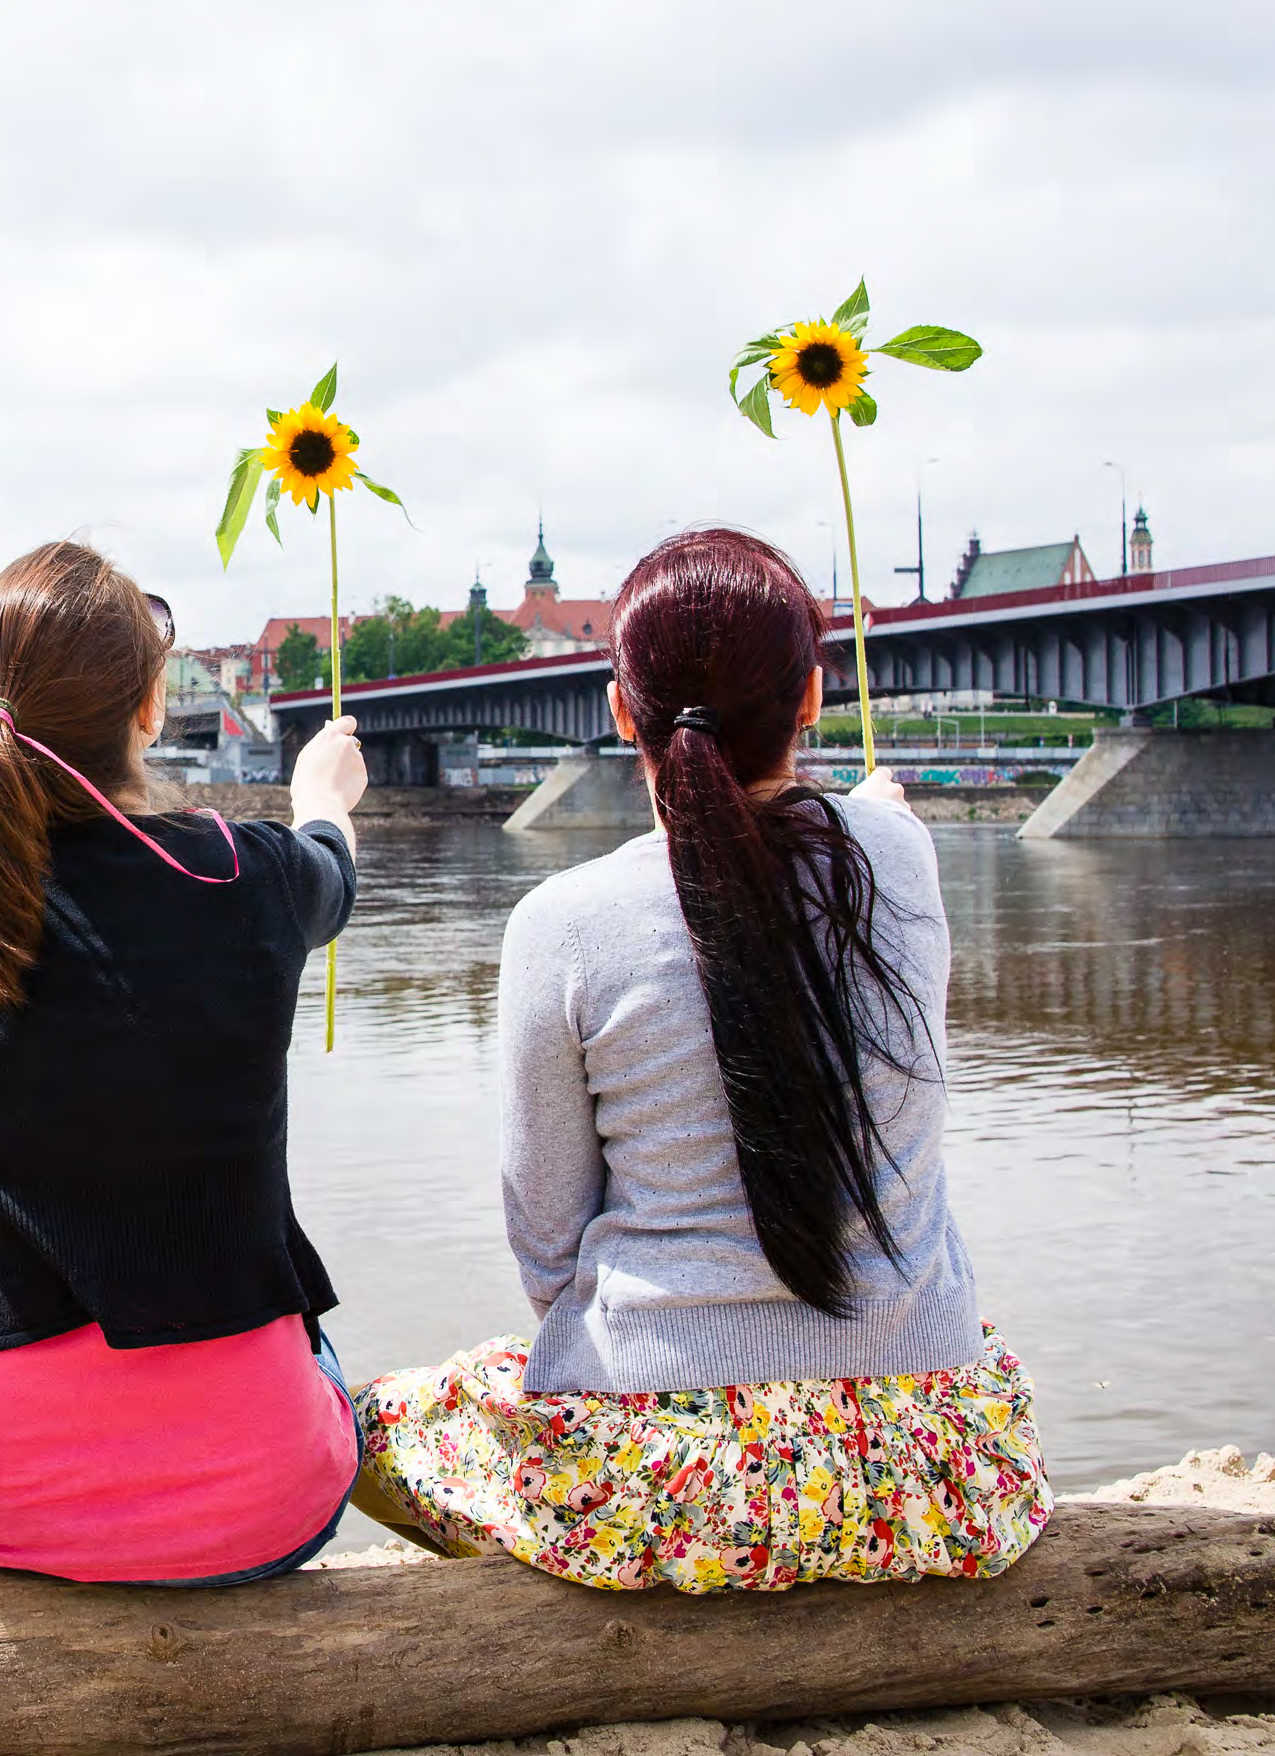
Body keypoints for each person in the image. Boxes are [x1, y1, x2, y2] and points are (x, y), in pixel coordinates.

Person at [354, 525, 1051, 1592]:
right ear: (812, 696)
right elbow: (855, 825)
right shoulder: (899, 855)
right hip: (932, 1469)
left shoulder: (564, 921)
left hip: (669, 1493)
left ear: (618, 710)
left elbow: (546, 1246)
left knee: (368, 1423)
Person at [0, 540, 369, 1586]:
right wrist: (321, 790)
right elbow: (332, 872)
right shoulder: (243, 872)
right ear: (149, 705)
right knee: (325, 1371)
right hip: (258, 1495)